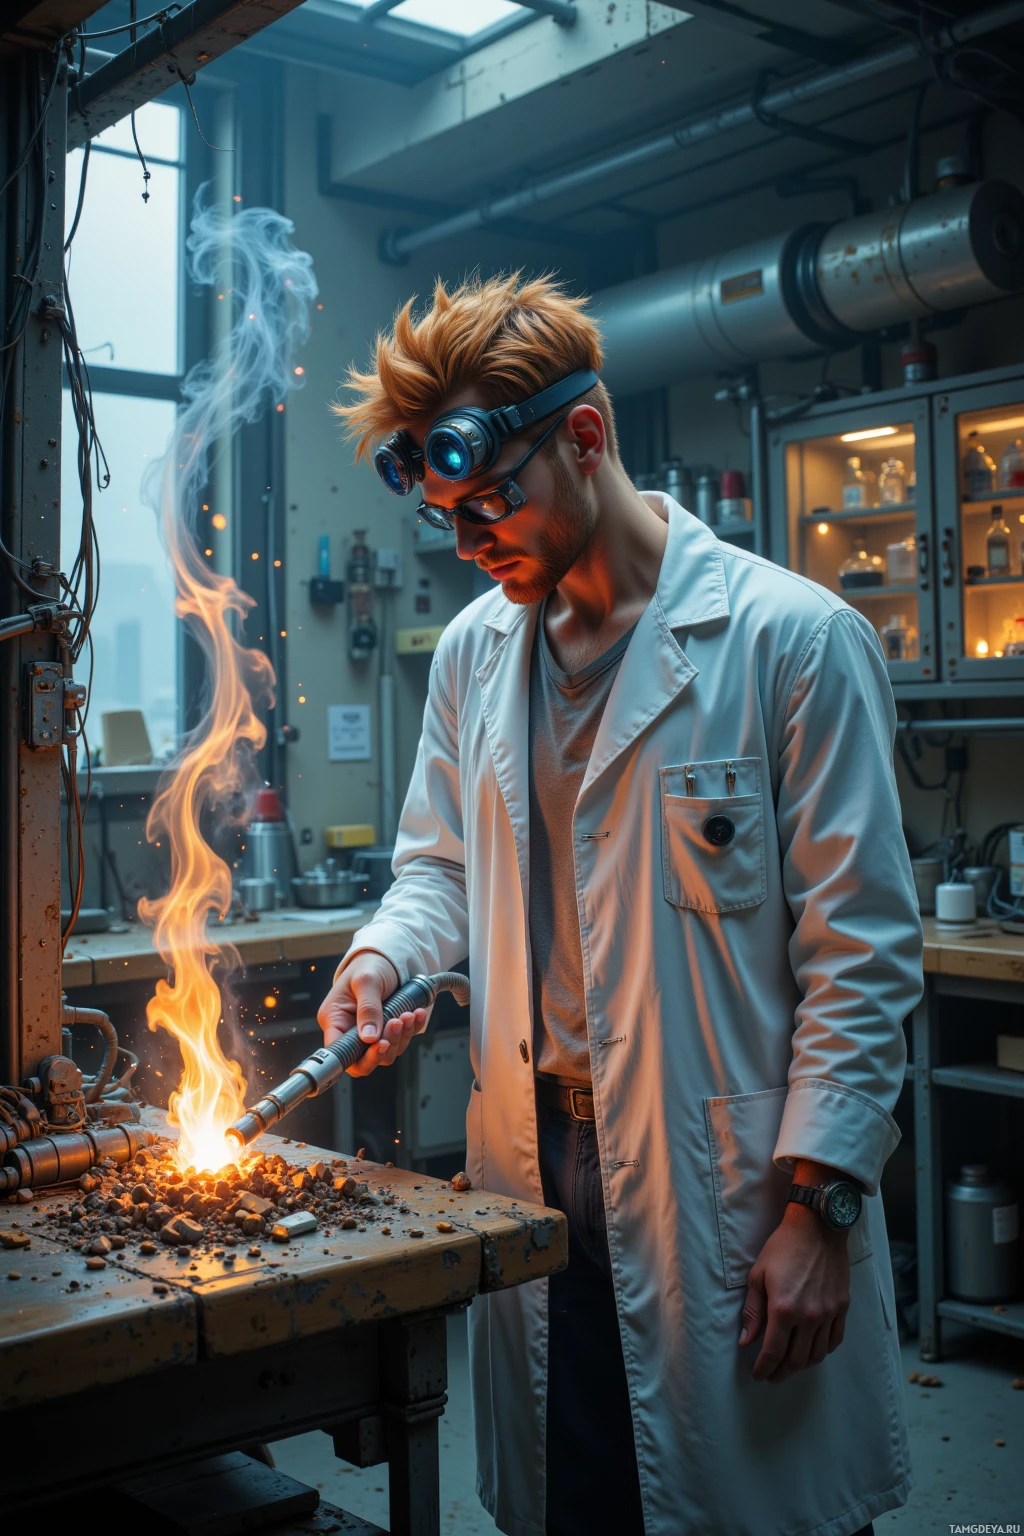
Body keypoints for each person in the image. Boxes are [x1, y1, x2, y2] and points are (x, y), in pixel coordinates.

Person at [318, 273, 923, 1536]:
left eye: (493, 500)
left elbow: (859, 956)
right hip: (535, 1159)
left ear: (584, 438)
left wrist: (820, 1210)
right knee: (581, 1487)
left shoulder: (788, 642)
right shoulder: (478, 655)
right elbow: (438, 867)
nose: (470, 537)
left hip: (730, 1173)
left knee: (749, 1505)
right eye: (447, 513)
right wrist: (383, 959)